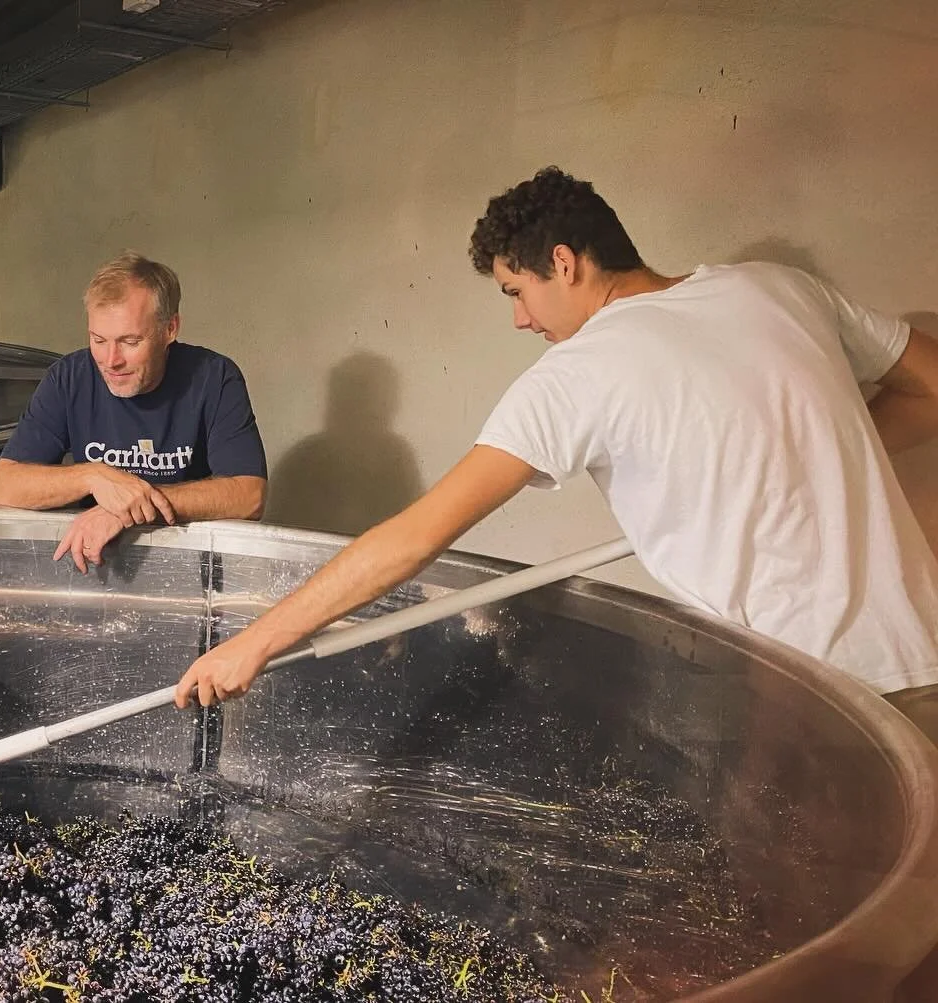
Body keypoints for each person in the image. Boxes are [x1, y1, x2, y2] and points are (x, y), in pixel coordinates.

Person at [173, 167, 938, 744]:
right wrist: (819, 449)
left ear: (564, 262)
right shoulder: (778, 289)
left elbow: (413, 537)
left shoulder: (579, 372)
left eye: (515, 290)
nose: (519, 319)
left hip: (810, 699)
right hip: (923, 652)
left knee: (807, 899)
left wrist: (257, 641)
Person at [0, 251, 267, 572]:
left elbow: (249, 495)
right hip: (93, 565)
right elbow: (3, 488)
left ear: (170, 328)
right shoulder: (68, 378)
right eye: (98, 340)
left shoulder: (214, 377)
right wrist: (94, 477)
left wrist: (128, 508)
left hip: (187, 566)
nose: (111, 360)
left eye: (130, 342)